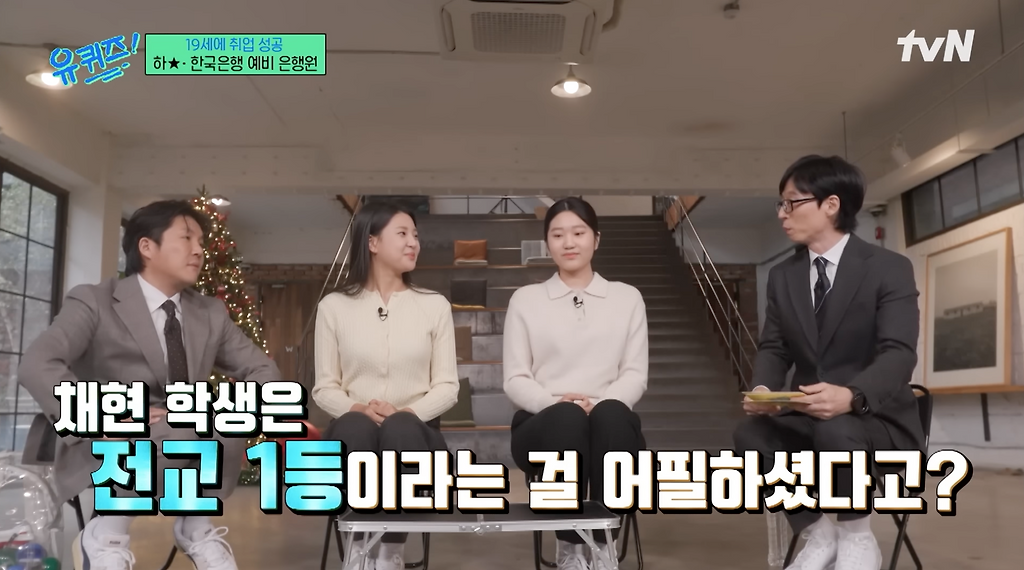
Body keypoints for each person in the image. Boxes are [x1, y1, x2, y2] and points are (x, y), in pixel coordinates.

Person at [18, 200, 282, 570]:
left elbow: (264, 372)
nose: (198, 250)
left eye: (201, 242)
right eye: (186, 238)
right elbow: (37, 364)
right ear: (146, 246)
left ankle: (195, 527)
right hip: (108, 443)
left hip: (183, 435)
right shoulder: (94, 301)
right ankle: (106, 534)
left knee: (223, 417)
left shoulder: (210, 312)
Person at [733, 155, 925, 570]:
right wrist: (765, 390)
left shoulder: (888, 268)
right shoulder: (784, 275)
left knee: (837, 429)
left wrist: (852, 395)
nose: (782, 213)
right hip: (809, 417)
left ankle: (857, 536)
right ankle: (819, 533)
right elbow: (775, 347)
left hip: (876, 421)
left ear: (831, 205)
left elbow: (899, 352)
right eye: (781, 204)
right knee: (749, 436)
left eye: (792, 202)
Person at [502, 196, 649, 570]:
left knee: (611, 416)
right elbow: (516, 378)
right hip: (542, 423)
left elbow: (634, 374)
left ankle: (602, 546)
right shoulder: (526, 300)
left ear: (596, 239)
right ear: (547, 243)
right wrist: (557, 405)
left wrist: (597, 406)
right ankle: (569, 546)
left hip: (609, 423)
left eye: (579, 233)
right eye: (558, 235)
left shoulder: (627, 298)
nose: (568, 243)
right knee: (566, 419)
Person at [313, 201, 459, 570]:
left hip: (416, 435)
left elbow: (447, 387)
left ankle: (391, 550)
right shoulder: (334, 307)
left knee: (401, 428)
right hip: (354, 431)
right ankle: (359, 548)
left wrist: (404, 412)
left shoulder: (434, 306)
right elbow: (324, 388)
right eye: (403, 234)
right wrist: (360, 408)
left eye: (416, 235)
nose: (414, 243)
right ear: (373, 242)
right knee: (355, 426)